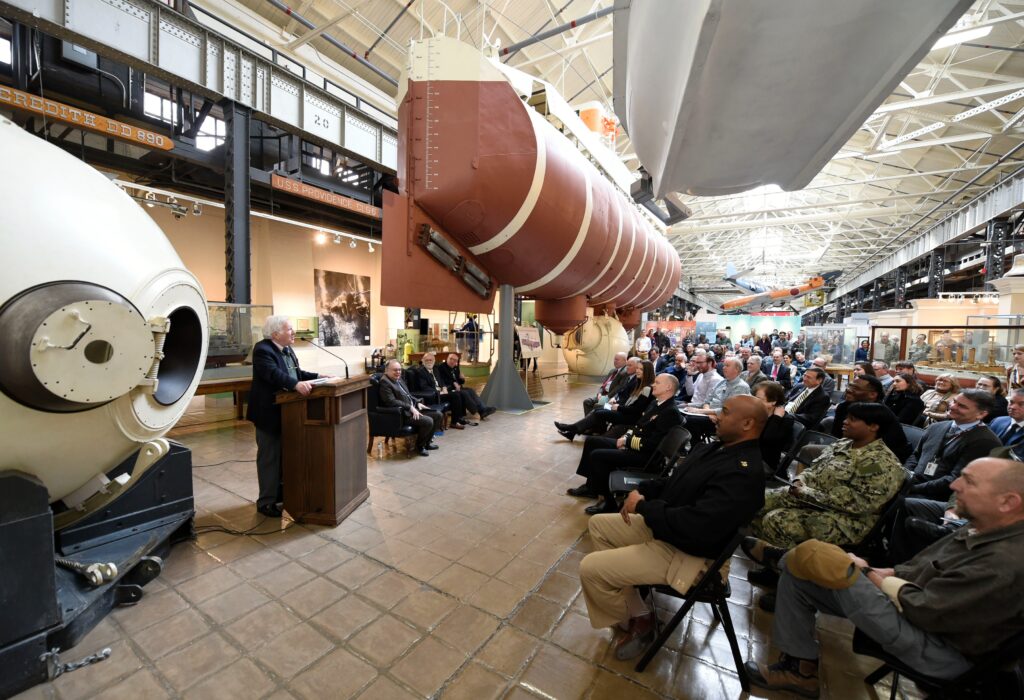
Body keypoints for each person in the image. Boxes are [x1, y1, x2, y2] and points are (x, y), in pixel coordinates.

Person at [745, 457, 1024, 698]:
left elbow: (925, 610)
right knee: (801, 575)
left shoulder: (1005, 560)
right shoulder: (983, 528)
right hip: (916, 612)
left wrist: (866, 573)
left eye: (969, 482)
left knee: (832, 563)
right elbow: (918, 568)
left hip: (940, 649)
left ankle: (780, 558)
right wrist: (885, 573)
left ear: (1008, 502)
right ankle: (800, 671)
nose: (955, 486)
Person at [578, 395, 767, 659]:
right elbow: (675, 481)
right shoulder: (718, 448)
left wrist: (644, 507)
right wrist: (643, 489)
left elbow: (697, 528)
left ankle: (635, 621)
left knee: (590, 569)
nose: (716, 416)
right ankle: (637, 611)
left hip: (691, 554)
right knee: (599, 525)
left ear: (747, 423)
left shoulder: (743, 473)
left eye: (724, 412)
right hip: (671, 530)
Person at [748, 402, 905, 556]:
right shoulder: (844, 443)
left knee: (776, 520)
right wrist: (800, 479)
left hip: (848, 521)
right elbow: (815, 468)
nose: (845, 421)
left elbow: (859, 504)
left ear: (873, 426)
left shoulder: (879, 463)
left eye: (853, 419)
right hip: (814, 500)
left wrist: (806, 493)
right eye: (847, 417)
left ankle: (791, 566)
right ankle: (772, 557)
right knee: (755, 502)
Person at [565, 374, 684, 515]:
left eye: (657, 383)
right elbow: (639, 425)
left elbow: (653, 445)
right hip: (636, 446)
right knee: (592, 441)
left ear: (668, 387)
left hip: (645, 456)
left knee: (598, 456)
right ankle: (591, 488)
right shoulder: (657, 404)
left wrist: (627, 442)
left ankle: (609, 502)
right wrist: (626, 437)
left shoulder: (670, 411)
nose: (653, 385)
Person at [247, 316, 322, 518]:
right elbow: (272, 374)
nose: (293, 332)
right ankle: (266, 502)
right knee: (269, 458)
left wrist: (319, 377)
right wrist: (295, 385)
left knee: (284, 457)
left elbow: (296, 373)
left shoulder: (287, 349)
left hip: (289, 414)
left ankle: (280, 496)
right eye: (289, 329)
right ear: (275, 334)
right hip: (268, 414)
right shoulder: (263, 350)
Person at [904, 389, 1001, 502]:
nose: (953, 406)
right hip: (912, 485)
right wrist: (904, 477)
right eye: (954, 401)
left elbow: (956, 480)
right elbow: (915, 456)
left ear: (981, 414)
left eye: (962, 406)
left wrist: (912, 489)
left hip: (938, 498)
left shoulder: (985, 442)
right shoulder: (936, 427)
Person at [555, 360, 655, 441]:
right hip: (625, 411)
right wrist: (617, 404)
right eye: (637, 368)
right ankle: (572, 431)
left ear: (647, 372)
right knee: (598, 410)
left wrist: (618, 407)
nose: (637, 371)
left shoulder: (646, 388)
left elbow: (637, 410)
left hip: (629, 417)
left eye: (641, 369)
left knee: (599, 413)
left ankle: (571, 428)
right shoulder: (639, 382)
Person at [829, 375, 912, 462]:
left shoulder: (880, 414)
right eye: (850, 386)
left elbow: (882, 452)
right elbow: (836, 436)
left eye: (856, 388)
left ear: (872, 395)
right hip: (845, 451)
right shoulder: (843, 407)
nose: (848, 390)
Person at [379, 360, 444, 457]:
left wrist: (417, 402)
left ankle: (427, 443)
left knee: (438, 415)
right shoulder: (385, 382)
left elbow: (408, 395)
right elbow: (391, 401)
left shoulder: (398, 379)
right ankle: (420, 446)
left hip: (413, 409)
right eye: (395, 370)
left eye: (399, 370)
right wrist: (410, 407)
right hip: (402, 414)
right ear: (387, 370)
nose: (398, 372)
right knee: (428, 421)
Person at [682, 357, 751, 442]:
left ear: (736, 369)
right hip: (711, 415)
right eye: (724, 365)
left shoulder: (741, 386)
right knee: (682, 414)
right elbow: (707, 401)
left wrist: (702, 411)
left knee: (690, 420)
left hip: (723, 420)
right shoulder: (722, 382)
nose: (723, 367)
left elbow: (729, 410)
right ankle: (694, 446)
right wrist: (706, 412)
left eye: (727, 365)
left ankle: (696, 447)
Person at [407, 352, 469, 429]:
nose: (429, 362)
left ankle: (458, 419)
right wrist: (439, 392)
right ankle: (454, 422)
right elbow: (424, 387)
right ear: (423, 361)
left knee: (459, 393)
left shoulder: (435, 369)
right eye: (427, 360)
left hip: (441, 392)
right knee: (455, 395)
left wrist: (444, 387)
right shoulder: (420, 372)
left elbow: (441, 380)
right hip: (433, 396)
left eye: (431, 360)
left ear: (434, 361)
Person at [436, 353, 496, 420]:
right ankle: (476, 411)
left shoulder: (455, 368)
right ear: (447, 359)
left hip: (457, 388)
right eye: (451, 359)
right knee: (465, 393)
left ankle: (482, 409)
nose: (452, 361)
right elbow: (441, 381)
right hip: (448, 389)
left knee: (470, 390)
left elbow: (460, 382)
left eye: (455, 360)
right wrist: (453, 384)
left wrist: (462, 379)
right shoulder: (441, 368)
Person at [755, 381, 796, 476]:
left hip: (765, 462)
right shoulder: (759, 412)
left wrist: (776, 418)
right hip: (751, 454)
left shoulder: (785, 419)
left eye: (759, 399)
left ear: (773, 401)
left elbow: (768, 439)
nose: (755, 401)